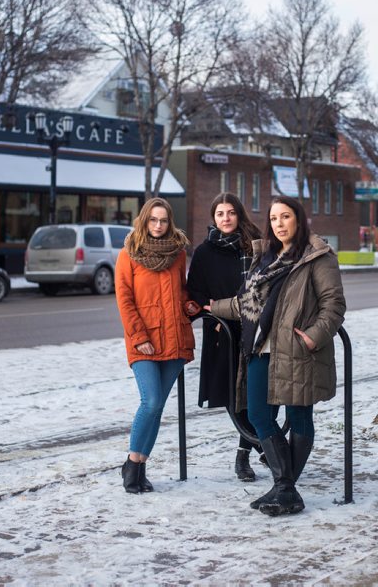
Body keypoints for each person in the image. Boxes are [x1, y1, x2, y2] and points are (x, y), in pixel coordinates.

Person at [208, 196, 346, 516]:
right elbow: (247, 302)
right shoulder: (266, 257)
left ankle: (284, 488)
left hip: (297, 351)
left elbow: (333, 305)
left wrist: (314, 337)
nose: (279, 224)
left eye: (285, 217)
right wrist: (213, 308)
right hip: (260, 349)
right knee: (259, 415)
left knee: (298, 418)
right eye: (273, 218)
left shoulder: (317, 256)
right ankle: (286, 488)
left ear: (299, 219)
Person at [115, 197, 199, 494]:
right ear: (144, 220)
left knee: (158, 407)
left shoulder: (177, 253)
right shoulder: (129, 253)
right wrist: (139, 337)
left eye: (163, 220)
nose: (159, 226)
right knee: (149, 402)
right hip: (145, 341)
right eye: (153, 220)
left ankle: (139, 468)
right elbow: (125, 300)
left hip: (174, 338)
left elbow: (182, 289)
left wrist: (190, 305)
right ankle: (131, 463)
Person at [187, 192, 264, 482]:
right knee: (234, 395)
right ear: (213, 218)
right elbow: (195, 291)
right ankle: (256, 450)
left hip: (257, 327)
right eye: (220, 214)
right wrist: (210, 309)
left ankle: (256, 447)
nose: (226, 218)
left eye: (231, 212)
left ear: (239, 213)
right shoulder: (205, 251)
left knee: (261, 392)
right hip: (223, 331)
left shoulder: (256, 243)